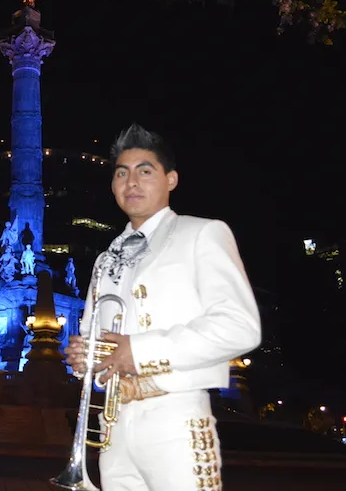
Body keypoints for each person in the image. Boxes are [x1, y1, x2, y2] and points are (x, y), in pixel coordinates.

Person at [63, 123, 261, 491]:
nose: (131, 181)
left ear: (171, 179)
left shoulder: (202, 233)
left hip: (176, 418)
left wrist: (138, 352)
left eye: (145, 171)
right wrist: (84, 358)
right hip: (114, 426)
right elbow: (95, 336)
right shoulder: (105, 259)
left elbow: (240, 326)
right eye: (121, 173)